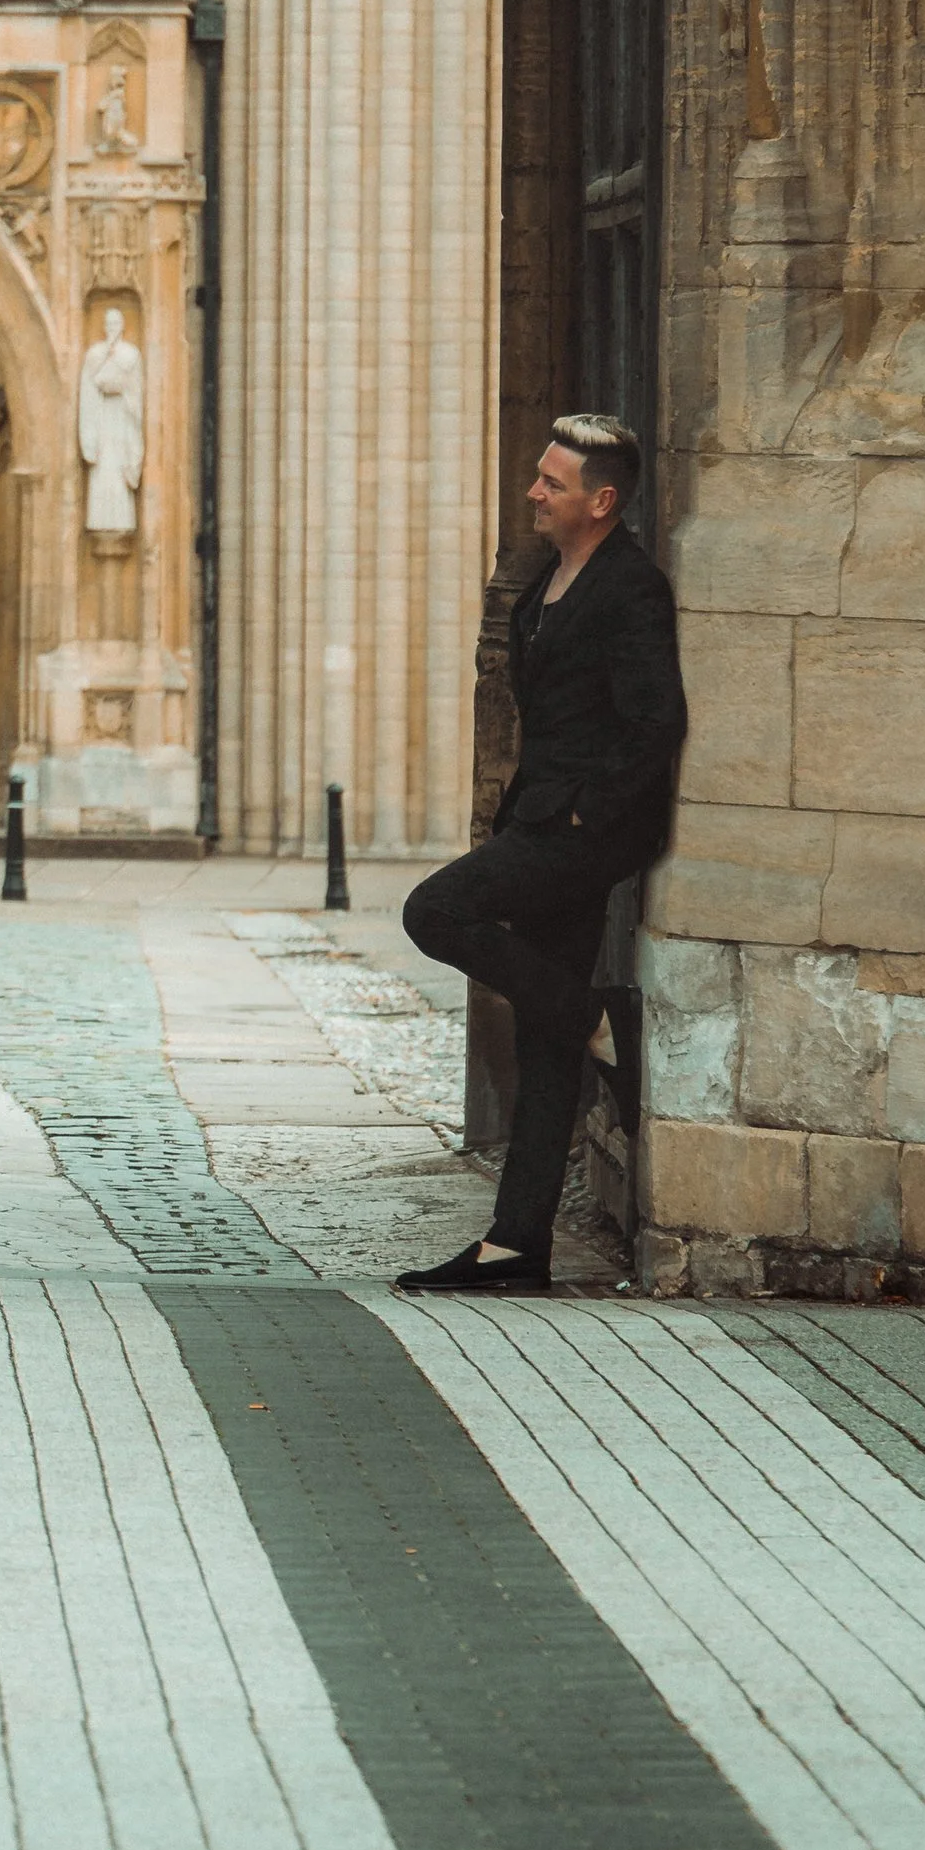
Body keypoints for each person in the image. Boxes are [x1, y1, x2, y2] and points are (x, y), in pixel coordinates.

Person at [395, 412, 686, 1296]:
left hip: (578, 833)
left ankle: (606, 1019)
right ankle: (517, 1244)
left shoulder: (629, 587)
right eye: (538, 475)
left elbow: (655, 723)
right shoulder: (546, 580)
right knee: (544, 1039)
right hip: (543, 815)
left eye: (552, 483)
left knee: (433, 911)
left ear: (601, 500)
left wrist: (581, 820)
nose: (534, 492)